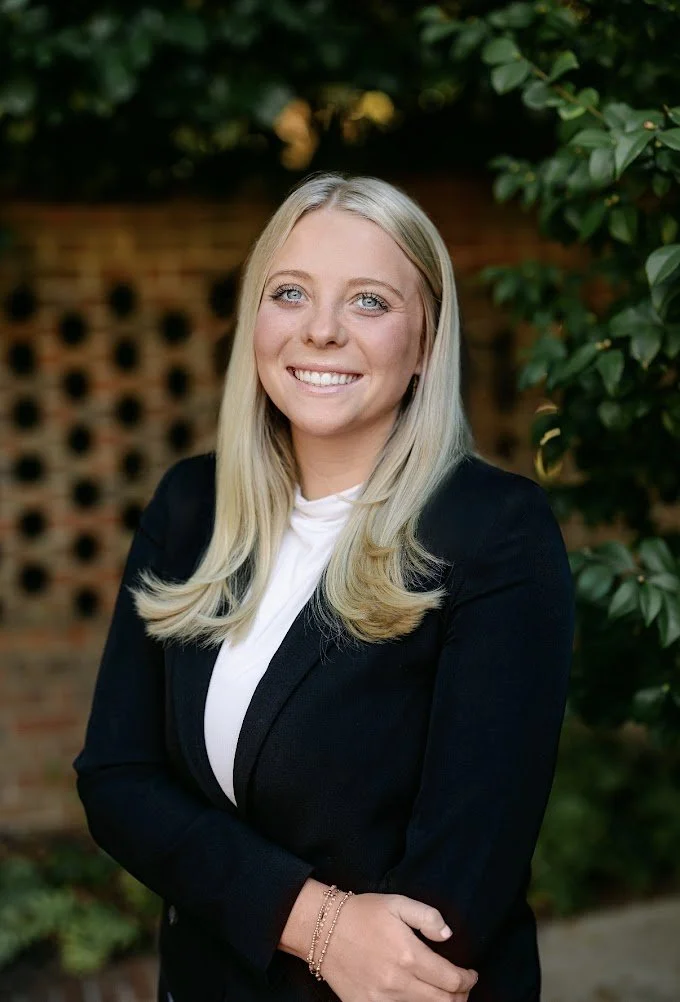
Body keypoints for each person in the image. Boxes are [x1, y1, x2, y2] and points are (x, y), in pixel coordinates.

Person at [73, 172, 575, 1002]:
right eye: (291, 292)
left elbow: (455, 894)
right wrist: (318, 923)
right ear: (256, 318)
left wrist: (267, 910)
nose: (322, 331)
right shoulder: (190, 506)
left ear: (425, 343)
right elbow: (118, 781)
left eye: (370, 302)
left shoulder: (496, 532)